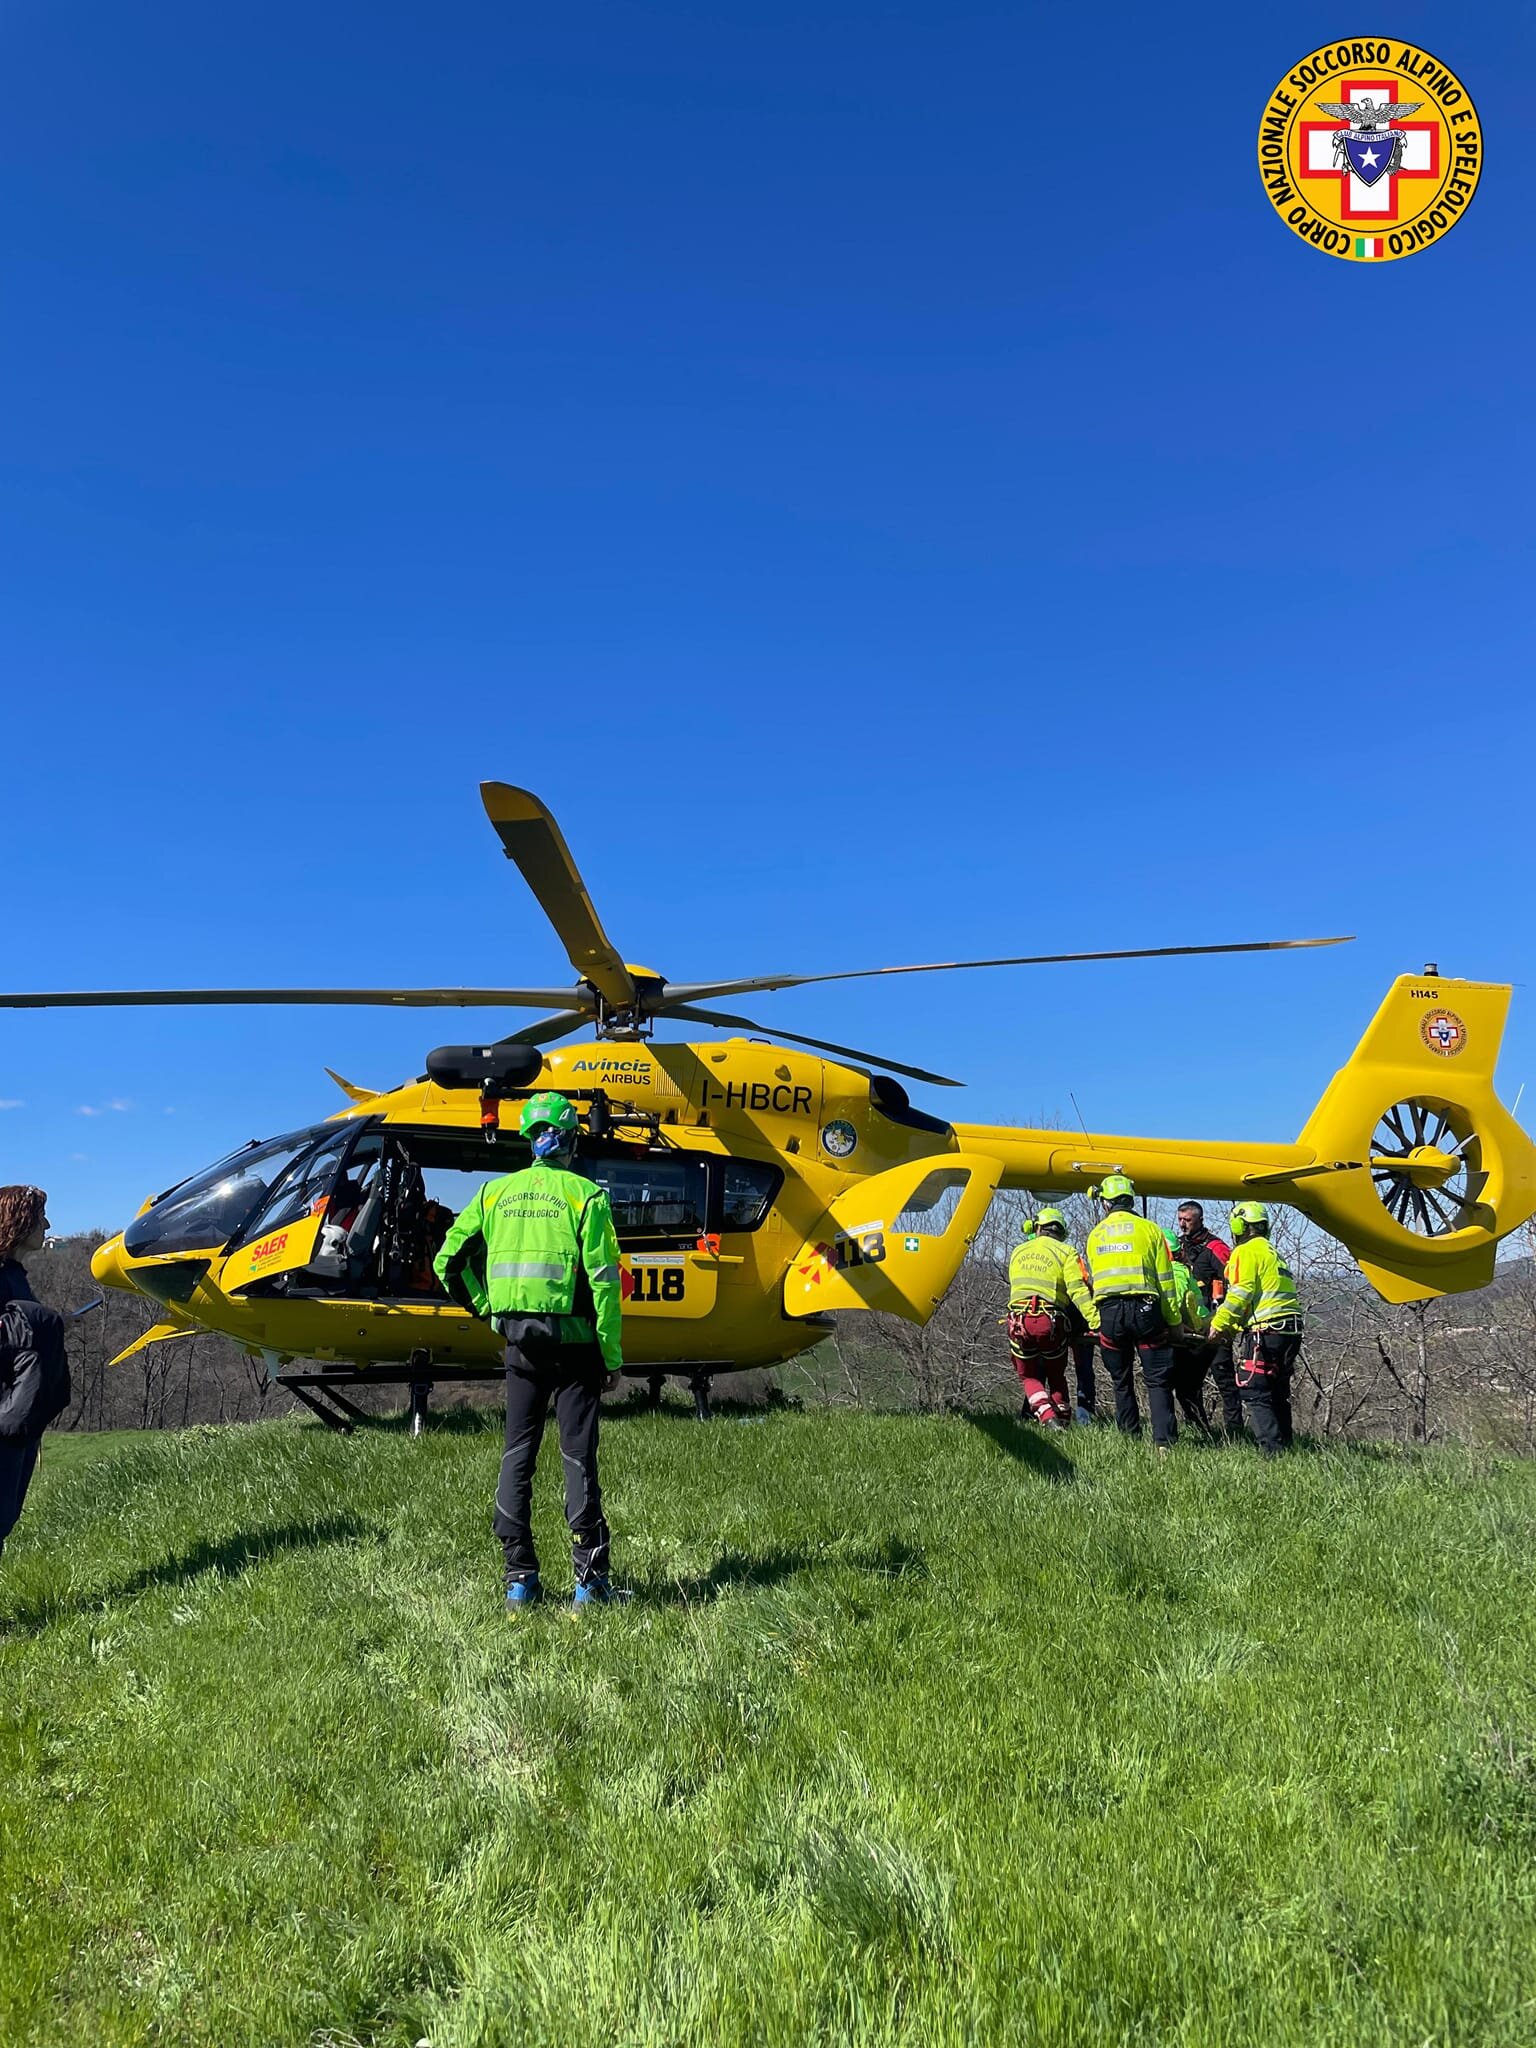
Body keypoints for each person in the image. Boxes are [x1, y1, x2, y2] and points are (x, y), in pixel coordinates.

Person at [434, 1092, 624, 1607]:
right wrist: (611, 1357)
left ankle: (519, 1577)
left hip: (520, 1347)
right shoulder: (587, 1196)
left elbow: (446, 1262)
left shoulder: (494, 1194)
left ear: (530, 1139)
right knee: (577, 1459)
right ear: (570, 1139)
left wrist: (492, 1313)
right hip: (579, 1348)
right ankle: (591, 1583)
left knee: (517, 1455)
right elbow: (605, 1284)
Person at [1084, 1175, 1183, 1449]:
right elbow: (1166, 1280)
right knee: (1158, 1381)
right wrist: (1174, 1320)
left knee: (1121, 1380)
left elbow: (1095, 1281)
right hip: (1146, 1311)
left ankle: (1129, 1439)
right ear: (1131, 1199)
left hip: (1110, 1314)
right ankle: (1164, 1444)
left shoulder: (1096, 1235)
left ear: (1106, 1203)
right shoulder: (1151, 1230)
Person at [0, 1186, 67, 1564]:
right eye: (40, 1216)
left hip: (18, 1415)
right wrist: (38, 1323)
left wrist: (55, 1325)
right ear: (18, 1220)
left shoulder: (14, 1274)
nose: (47, 1224)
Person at [1208, 1201, 1304, 1456]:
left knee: (1254, 1388)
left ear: (1238, 1226)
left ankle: (1272, 1451)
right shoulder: (1273, 1252)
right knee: (1278, 1390)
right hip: (1290, 1329)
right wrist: (1238, 1324)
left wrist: (1219, 1324)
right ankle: (1286, 1446)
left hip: (1267, 1330)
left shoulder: (1245, 1251)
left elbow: (1242, 1293)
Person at [1007, 1208, 1098, 1428]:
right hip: (1051, 1323)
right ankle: (1063, 1422)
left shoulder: (1018, 1251)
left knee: (1029, 1376)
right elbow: (1077, 1290)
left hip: (1020, 1322)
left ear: (1037, 1227)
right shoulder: (1067, 1252)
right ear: (1061, 1232)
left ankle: (1046, 1417)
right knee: (1057, 1374)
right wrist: (1096, 1322)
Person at [1177, 1199, 1241, 1437]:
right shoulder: (1180, 1247)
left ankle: (1235, 1431)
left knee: (1223, 1377)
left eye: (1187, 1220)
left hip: (1215, 1323)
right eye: (1180, 1220)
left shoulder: (1215, 1247)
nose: (1183, 1225)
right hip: (1191, 1326)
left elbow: (1234, 1279)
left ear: (1199, 1220)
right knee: (1188, 1383)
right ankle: (1198, 1429)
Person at [1164, 1227, 1215, 1437]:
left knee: (1175, 1389)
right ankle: (1203, 1433)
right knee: (1187, 1392)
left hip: (1191, 1339)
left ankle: (1177, 1435)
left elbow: (1174, 1304)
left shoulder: (1174, 1273)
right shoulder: (1183, 1270)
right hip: (1200, 1337)